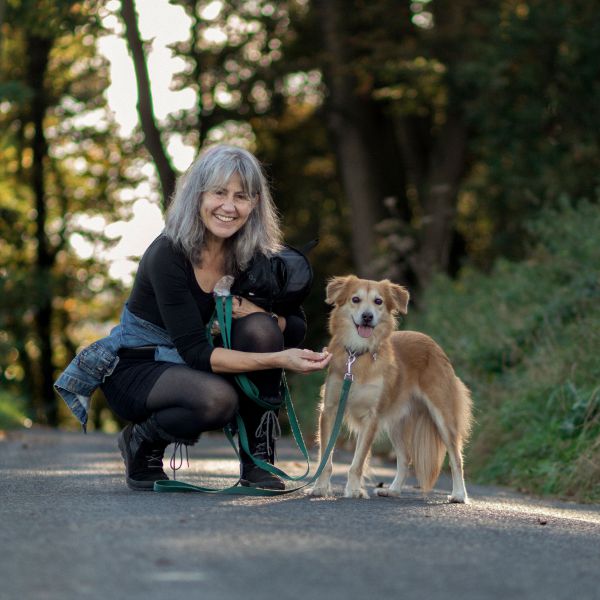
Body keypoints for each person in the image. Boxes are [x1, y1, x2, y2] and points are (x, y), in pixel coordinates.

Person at [54, 144, 331, 491]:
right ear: (197, 195)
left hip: (195, 364)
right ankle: (142, 442)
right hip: (140, 366)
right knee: (217, 399)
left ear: (255, 204)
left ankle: (259, 462)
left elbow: (296, 326)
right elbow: (196, 353)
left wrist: (259, 314)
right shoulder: (167, 254)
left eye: (241, 196)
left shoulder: (251, 255)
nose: (229, 207)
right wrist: (279, 359)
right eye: (219, 193)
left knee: (260, 327)